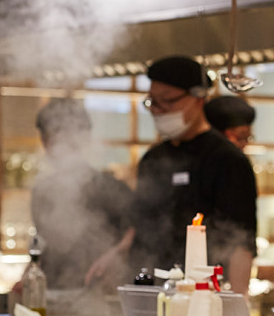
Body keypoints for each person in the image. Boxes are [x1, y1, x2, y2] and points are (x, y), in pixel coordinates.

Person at [86, 56, 257, 292]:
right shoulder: (153, 158)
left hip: (202, 293)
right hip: (150, 287)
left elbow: (240, 243)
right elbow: (139, 221)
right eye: (152, 103)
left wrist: (239, 301)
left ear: (198, 98)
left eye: (166, 101)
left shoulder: (226, 160)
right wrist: (116, 253)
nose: (158, 111)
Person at [30, 99, 136, 289]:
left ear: (84, 138)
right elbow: (42, 245)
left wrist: (117, 254)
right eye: (47, 138)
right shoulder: (42, 192)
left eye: (60, 138)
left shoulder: (111, 189)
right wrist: (29, 273)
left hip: (98, 295)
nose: (51, 146)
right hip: (53, 293)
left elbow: (137, 233)